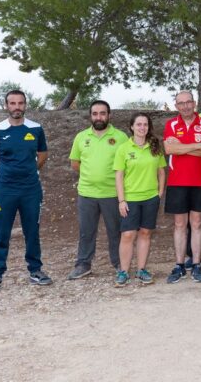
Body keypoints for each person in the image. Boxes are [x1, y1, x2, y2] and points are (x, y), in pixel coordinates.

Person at [0, 89, 51, 294]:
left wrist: (30, 172)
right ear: (6, 106)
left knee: (32, 232)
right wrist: (2, 176)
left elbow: (42, 154)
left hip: (31, 190)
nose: (16, 107)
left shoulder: (36, 129)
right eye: (12, 103)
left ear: (25, 105)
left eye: (20, 103)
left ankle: (35, 270)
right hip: (5, 190)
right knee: (1, 233)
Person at [67, 100, 128, 280]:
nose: (99, 117)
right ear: (90, 116)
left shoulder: (121, 137)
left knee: (115, 231)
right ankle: (83, 264)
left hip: (112, 193)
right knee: (86, 231)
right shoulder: (81, 137)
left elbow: (126, 165)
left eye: (102, 113)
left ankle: (119, 264)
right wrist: (92, 176)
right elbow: (75, 163)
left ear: (109, 115)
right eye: (95, 113)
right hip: (87, 194)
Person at [163, 91, 201, 284]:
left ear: (194, 103)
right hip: (177, 182)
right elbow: (169, 149)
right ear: (176, 106)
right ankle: (179, 265)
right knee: (179, 225)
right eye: (180, 103)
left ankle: (197, 264)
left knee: (198, 223)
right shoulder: (171, 125)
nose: (185, 106)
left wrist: (182, 146)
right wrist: (196, 145)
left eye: (188, 102)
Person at [113, 113, 166, 287]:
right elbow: (119, 176)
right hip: (130, 199)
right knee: (128, 234)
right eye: (139, 124)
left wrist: (159, 193)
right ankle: (123, 272)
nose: (142, 128)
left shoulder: (154, 146)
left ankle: (141, 269)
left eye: (145, 125)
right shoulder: (123, 148)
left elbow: (161, 171)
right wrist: (122, 200)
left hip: (150, 198)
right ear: (132, 127)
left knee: (145, 233)